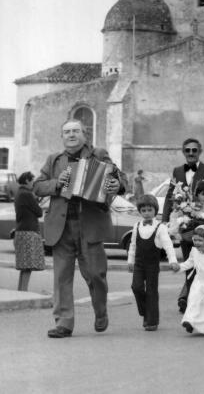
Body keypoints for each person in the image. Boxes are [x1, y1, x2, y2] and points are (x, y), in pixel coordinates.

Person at [34, 119, 127, 338]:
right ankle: (63, 323)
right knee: (61, 278)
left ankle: (101, 310)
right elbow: (37, 186)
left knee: (96, 275)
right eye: (67, 132)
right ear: (62, 136)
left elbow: (119, 178)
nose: (71, 135)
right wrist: (57, 183)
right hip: (61, 226)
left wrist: (118, 185)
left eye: (76, 131)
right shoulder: (54, 160)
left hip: (90, 224)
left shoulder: (99, 155)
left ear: (85, 135)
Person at [162, 138, 204, 313]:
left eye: (194, 150)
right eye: (187, 150)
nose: (190, 153)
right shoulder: (177, 171)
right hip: (184, 226)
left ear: (200, 152)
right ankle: (191, 301)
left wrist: (200, 204)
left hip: (203, 225)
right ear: (183, 152)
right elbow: (170, 196)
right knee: (189, 262)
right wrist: (165, 220)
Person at [128, 194, 179, 331]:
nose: (146, 213)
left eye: (149, 210)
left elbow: (168, 244)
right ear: (140, 211)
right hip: (138, 264)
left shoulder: (160, 227)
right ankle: (145, 311)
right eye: (143, 210)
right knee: (136, 287)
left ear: (155, 210)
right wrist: (130, 261)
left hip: (152, 265)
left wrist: (173, 261)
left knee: (151, 292)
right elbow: (133, 245)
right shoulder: (137, 225)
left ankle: (151, 321)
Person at [13, 171, 45, 291]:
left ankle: (21, 291)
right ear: (27, 180)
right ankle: (24, 292)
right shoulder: (27, 194)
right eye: (32, 181)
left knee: (24, 266)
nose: (33, 184)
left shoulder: (19, 193)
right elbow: (39, 212)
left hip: (21, 231)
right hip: (29, 232)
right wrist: (36, 200)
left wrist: (35, 200)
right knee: (28, 266)